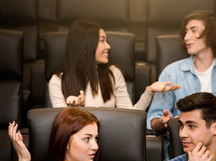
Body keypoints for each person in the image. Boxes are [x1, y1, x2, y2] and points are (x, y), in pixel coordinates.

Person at [147, 10, 216, 133]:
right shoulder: (171, 72)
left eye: (194, 30)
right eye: (186, 32)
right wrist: (162, 122)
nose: (186, 37)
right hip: (187, 145)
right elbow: (152, 121)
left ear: (211, 33)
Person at [49, 19, 180, 109]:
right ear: (85, 47)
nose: (108, 46)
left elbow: (130, 116)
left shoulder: (113, 74)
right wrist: (77, 111)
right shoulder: (57, 81)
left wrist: (150, 91)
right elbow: (62, 128)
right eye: (102, 41)